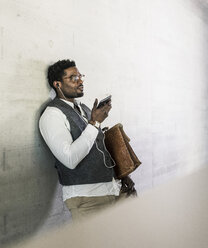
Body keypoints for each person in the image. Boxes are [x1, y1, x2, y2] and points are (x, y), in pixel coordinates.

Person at [39, 59, 136, 221]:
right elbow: (69, 158)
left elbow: (96, 147)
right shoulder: (52, 115)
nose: (80, 81)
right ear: (57, 84)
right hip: (89, 202)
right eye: (73, 78)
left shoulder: (83, 108)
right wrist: (95, 122)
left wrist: (120, 177)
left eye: (80, 76)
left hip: (115, 191)